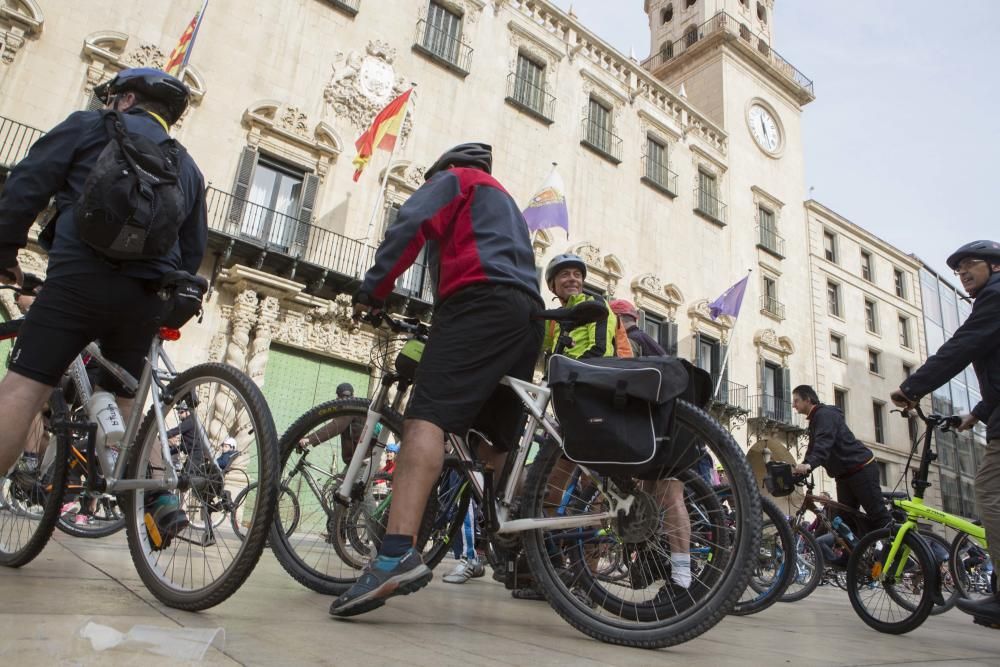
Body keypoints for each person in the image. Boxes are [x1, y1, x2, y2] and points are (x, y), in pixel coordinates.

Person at [331, 142, 544, 617]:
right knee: (493, 446)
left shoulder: (456, 180)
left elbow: (409, 225)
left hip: (478, 304)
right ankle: (524, 551)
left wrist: (373, 291)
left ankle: (394, 554)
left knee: (426, 417)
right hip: (526, 317)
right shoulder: (505, 203)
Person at [0, 67, 207, 545]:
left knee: (27, 386)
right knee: (130, 397)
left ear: (125, 99)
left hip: (77, 280)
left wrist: (5, 250)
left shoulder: (88, 126)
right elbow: (192, 251)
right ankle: (158, 497)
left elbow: (27, 186)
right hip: (146, 295)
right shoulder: (188, 167)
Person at [890, 240, 1000, 627]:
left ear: (995, 267)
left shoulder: (995, 298)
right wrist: (978, 412)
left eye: (972, 264)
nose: (964, 272)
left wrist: (913, 387)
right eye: (959, 269)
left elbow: (961, 347)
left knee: (988, 492)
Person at [609, 298, 693, 598]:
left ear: (616, 319)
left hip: (659, 428)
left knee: (669, 495)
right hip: (666, 426)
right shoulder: (648, 341)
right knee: (653, 494)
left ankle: (682, 578)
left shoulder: (629, 341)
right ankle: (660, 563)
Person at [791, 385, 891, 532]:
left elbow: (824, 443)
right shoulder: (815, 419)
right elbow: (813, 448)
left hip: (861, 469)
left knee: (878, 515)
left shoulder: (824, 415)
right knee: (846, 522)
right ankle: (854, 554)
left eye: (796, 400)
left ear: (808, 399)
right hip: (844, 475)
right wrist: (803, 467)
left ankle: (900, 550)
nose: (793, 405)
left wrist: (809, 465)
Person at [541, 254, 614, 359]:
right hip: (558, 373)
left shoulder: (593, 304)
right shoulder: (553, 319)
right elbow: (539, 347)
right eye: (565, 275)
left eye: (577, 275)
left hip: (585, 373)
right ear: (552, 285)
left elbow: (601, 350)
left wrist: (571, 370)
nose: (572, 279)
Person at [298, 382, 365, 468]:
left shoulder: (352, 408)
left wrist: (309, 439)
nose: (346, 400)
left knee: (343, 481)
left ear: (337, 397)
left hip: (362, 463)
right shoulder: (357, 407)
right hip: (356, 462)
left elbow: (335, 426)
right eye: (343, 397)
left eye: (347, 397)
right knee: (339, 481)